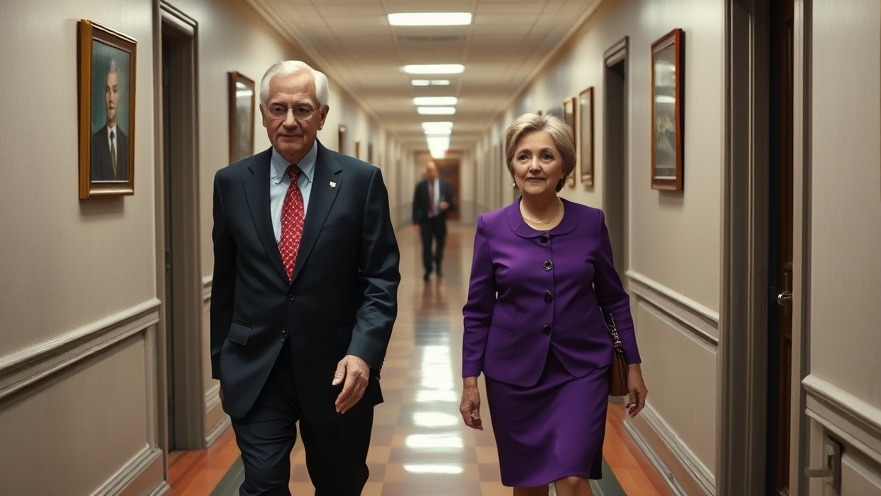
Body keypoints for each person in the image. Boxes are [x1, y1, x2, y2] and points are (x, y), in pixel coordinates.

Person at [210, 60, 400, 496]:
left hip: (338, 370)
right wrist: (223, 366)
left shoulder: (360, 181)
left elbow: (381, 279)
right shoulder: (231, 183)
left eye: (302, 109)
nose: (289, 121)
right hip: (257, 367)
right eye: (278, 108)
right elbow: (226, 282)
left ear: (323, 116)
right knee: (262, 485)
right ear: (262, 113)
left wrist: (363, 354)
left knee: (340, 484)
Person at [458, 113, 648, 496]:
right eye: (523, 156)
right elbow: (478, 309)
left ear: (564, 166)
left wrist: (633, 365)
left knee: (574, 477)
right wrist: (469, 382)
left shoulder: (591, 223)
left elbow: (613, 298)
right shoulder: (492, 227)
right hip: (512, 375)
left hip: (581, 369)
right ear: (512, 167)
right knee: (529, 484)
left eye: (546, 156)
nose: (533, 166)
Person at [412, 161, 455, 280]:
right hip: (425, 221)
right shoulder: (420, 186)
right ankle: (428, 269)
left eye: (433, 170)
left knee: (440, 246)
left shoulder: (445, 185)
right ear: (426, 172)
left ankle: (438, 266)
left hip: (440, 221)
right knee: (426, 246)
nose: (431, 173)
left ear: (437, 171)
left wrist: (446, 205)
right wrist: (415, 222)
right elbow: (416, 205)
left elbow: (453, 203)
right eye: (428, 170)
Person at [90, 58, 129, 181]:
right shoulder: (94, 142)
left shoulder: (127, 143)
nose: (111, 98)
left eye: (115, 90)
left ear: (120, 96)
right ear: (103, 95)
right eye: (107, 91)